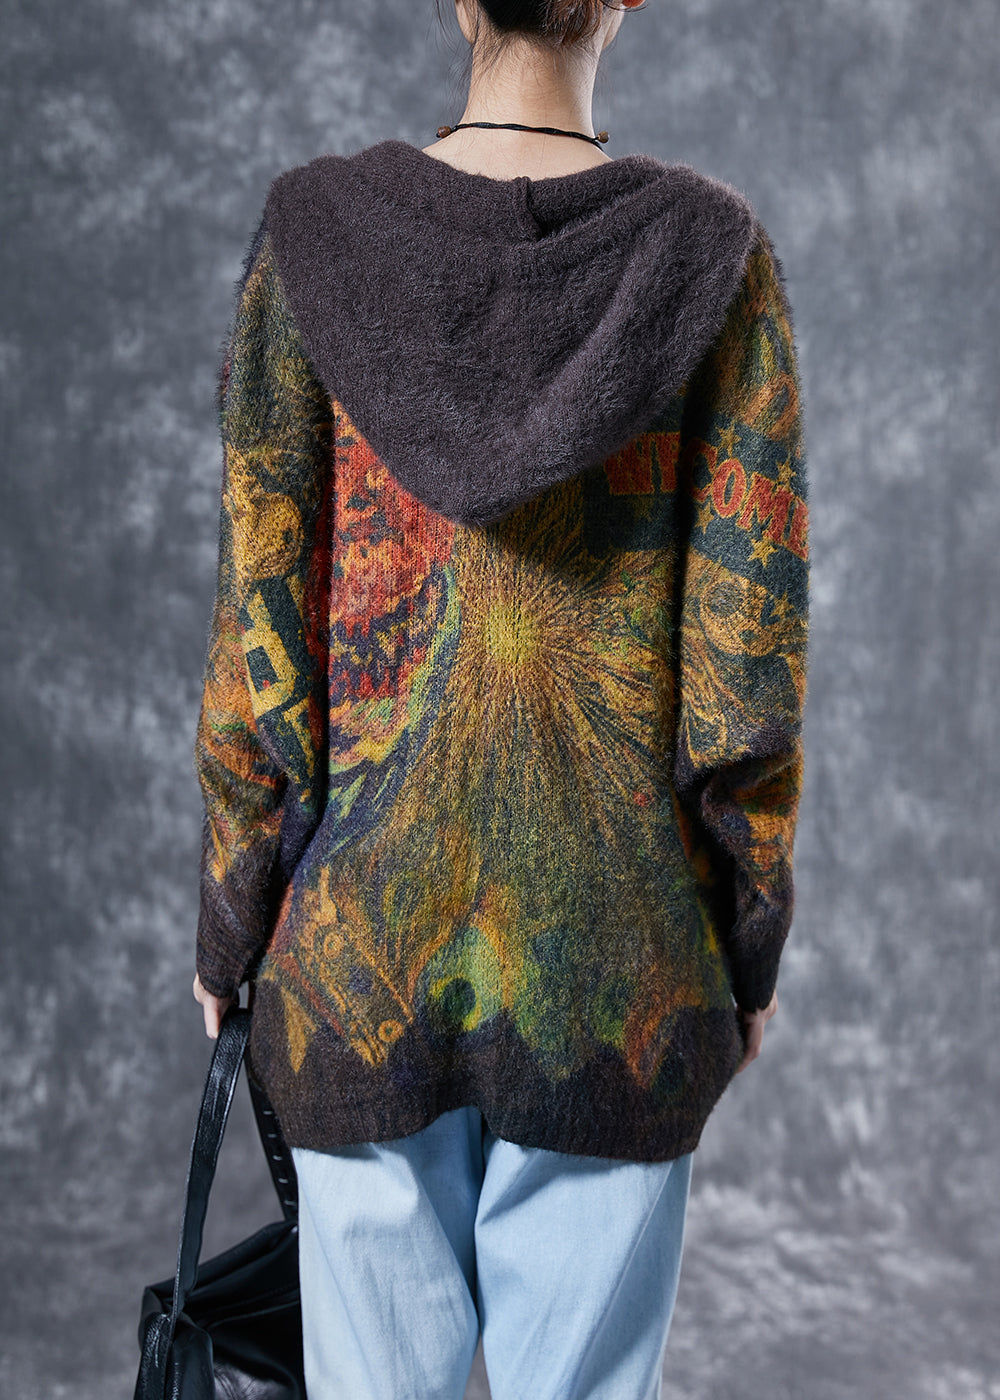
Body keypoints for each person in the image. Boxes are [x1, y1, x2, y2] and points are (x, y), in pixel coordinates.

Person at [191, 0, 807, 1395]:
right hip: (623, 960)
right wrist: (746, 935)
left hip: (357, 962)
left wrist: (233, 919)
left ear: (459, 1)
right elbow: (745, 654)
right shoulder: (713, 259)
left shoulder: (312, 241)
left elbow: (261, 627)